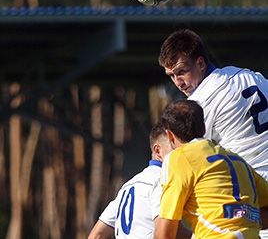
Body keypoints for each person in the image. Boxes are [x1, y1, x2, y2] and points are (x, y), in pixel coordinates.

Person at [158, 28, 268, 238]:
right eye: (171, 75)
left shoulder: (200, 103)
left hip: (251, 195)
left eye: (181, 71)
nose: (178, 82)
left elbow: (187, 158)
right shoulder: (252, 76)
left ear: (200, 63)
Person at [154, 99, 268, 239]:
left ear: (170, 135)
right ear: (204, 128)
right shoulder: (237, 160)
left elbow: (165, 231)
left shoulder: (179, 158)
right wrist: (242, 218)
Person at [87, 123, 192, 239]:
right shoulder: (162, 181)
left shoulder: (127, 187)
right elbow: (164, 232)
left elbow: (96, 235)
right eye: (176, 149)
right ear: (157, 151)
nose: (183, 155)